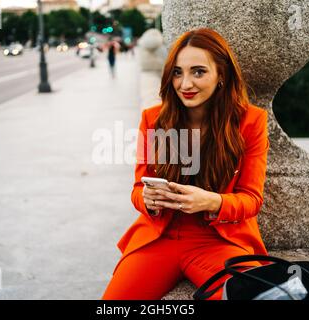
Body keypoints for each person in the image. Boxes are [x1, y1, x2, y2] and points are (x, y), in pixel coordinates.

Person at [102, 28, 270, 300]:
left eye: (199, 72)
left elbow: (252, 199)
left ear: (221, 76)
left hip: (219, 241)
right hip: (160, 238)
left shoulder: (251, 122)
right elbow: (136, 189)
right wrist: (148, 200)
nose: (185, 84)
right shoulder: (153, 120)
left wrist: (212, 201)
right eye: (178, 72)